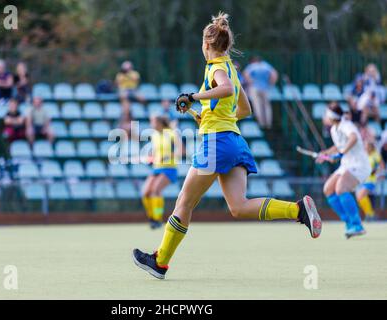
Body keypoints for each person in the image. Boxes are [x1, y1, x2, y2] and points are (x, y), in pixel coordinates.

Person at [132, 12, 322, 280]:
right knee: (238, 206)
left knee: (184, 202)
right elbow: (245, 108)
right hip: (233, 140)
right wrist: (204, 114)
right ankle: (298, 210)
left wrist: (193, 96)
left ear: (206, 44)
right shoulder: (232, 69)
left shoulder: (216, 68)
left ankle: (160, 262)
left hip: (216, 143)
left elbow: (226, 91)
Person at [318, 103, 370, 238]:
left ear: (330, 117)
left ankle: (357, 225)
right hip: (347, 165)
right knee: (328, 189)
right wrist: (326, 154)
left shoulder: (346, 125)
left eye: (326, 114)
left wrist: (341, 154)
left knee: (341, 188)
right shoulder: (334, 130)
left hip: (359, 165)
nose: (324, 117)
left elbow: (353, 138)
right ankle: (349, 223)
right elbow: (339, 145)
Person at [142, 115, 182, 229]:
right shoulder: (154, 135)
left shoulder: (171, 133)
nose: (151, 125)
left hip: (169, 167)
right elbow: (155, 152)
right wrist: (150, 157)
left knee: (156, 190)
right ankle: (151, 217)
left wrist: (169, 157)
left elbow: (181, 151)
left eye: (153, 122)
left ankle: (157, 219)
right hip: (157, 167)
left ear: (160, 123)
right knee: (146, 192)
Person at [243, 56, 278, 129]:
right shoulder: (266, 65)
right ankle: (268, 123)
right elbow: (274, 74)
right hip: (265, 88)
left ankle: (261, 123)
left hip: (255, 88)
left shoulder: (252, 66)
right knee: (266, 106)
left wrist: (250, 82)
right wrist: (271, 83)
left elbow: (246, 74)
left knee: (257, 105)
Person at [356, 141, 384, 221]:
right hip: (363, 180)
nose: (365, 148)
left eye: (367, 146)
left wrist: (377, 173)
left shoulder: (376, 155)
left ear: (371, 147)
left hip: (371, 180)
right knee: (360, 198)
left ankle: (370, 214)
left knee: (361, 196)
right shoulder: (364, 156)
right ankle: (370, 214)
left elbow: (381, 166)